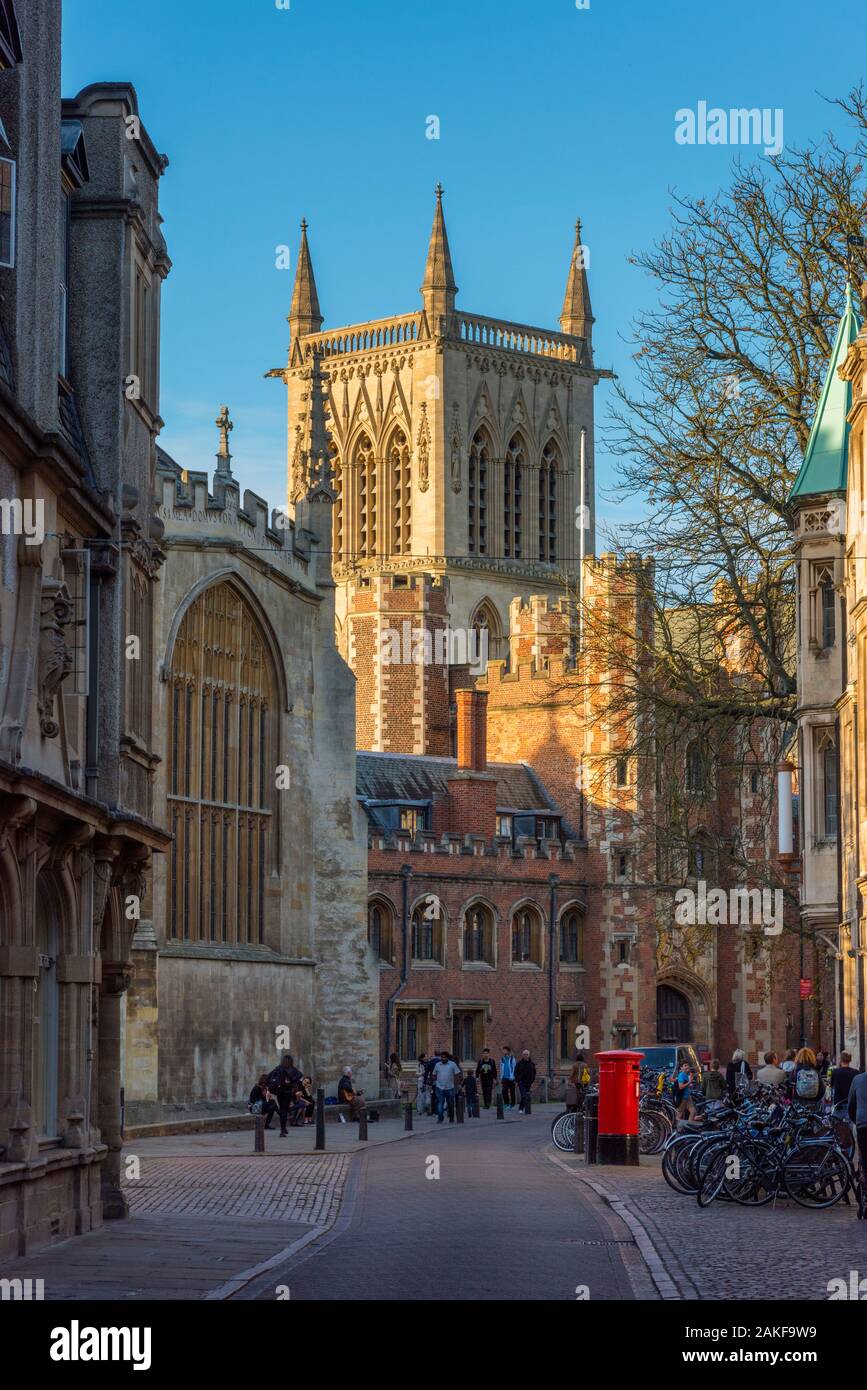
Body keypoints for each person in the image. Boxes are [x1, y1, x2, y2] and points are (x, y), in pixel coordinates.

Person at [268, 1054, 303, 1137]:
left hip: (279, 1092)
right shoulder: (292, 1069)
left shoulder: (279, 1067)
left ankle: (283, 1128)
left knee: (283, 1110)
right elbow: (299, 1075)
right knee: (284, 1110)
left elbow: (269, 1077)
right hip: (287, 1092)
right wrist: (291, 1081)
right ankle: (283, 1129)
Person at [847, 1068, 867, 1182]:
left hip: (862, 1123)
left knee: (864, 1156)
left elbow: (851, 1104)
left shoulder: (857, 1079)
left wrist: (856, 1120)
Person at [432, 1049, 462, 1123]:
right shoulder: (437, 1065)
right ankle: (440, 1118)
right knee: (440, 1103)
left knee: (450, 1104)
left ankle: (451, 1118)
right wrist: (434, 1079)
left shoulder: (452, 1064)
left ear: (447, 1058)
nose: (443, 1059)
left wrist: (458, 1084)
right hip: (439, 1087)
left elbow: (458, 1074)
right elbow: (434, 1074)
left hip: (450, 1087)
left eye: (444, 1057)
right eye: (441, 1057)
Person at [500, 1045, 517, 1110]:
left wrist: (513, 1077)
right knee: (504, 1091)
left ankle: (512, 1104)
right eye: (503, 1050)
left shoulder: (512, 1059)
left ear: (508, 1051)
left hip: (511, 1078)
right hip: (504, 1078)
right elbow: (501, 1068)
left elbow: (514, 1068)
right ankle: (506, 1104)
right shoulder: (502, 1059)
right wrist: (501, 1077)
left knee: (512, 1092)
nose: (503, 1051)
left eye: (505, 1050)